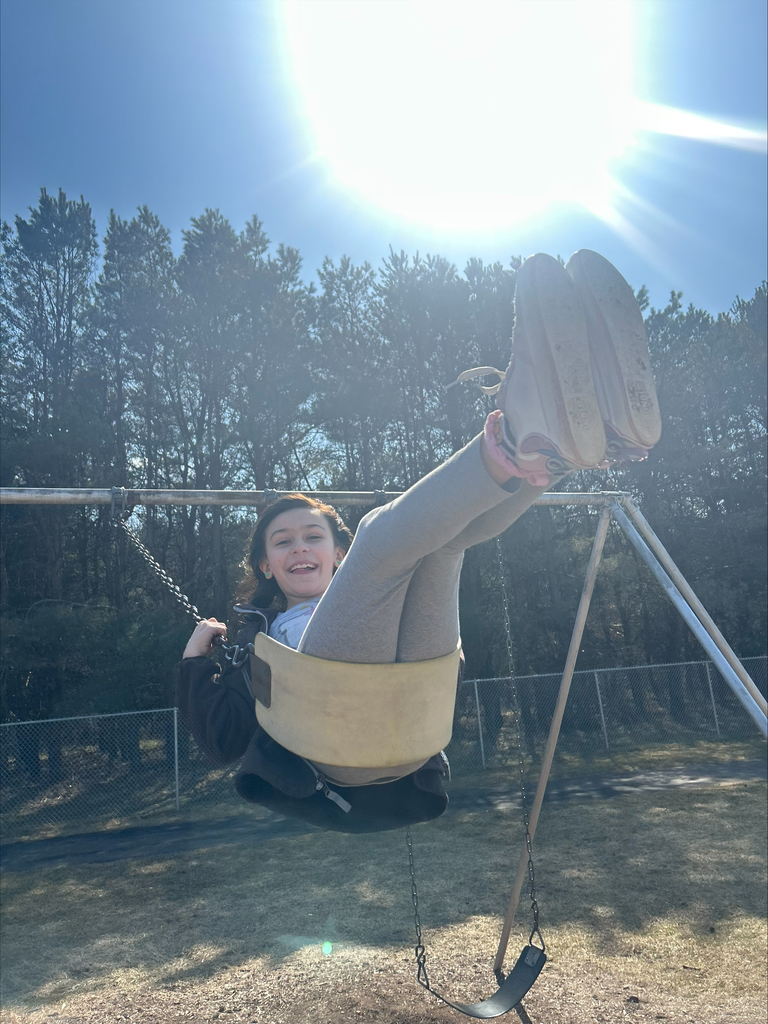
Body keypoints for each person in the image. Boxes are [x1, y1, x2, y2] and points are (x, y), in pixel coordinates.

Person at [176, 250, 661, 832]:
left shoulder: (364, 586)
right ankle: (519, 438)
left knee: (444, 539)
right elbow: (224, 741)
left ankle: (563, 450)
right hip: (336, 744)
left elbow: (420, 580)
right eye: (283, 542)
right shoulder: (257, 636)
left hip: (414, 725)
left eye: (314, 536)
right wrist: (196, 661)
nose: (300, 547)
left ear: (337, 554)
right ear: (265, 565)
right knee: (388, 532)